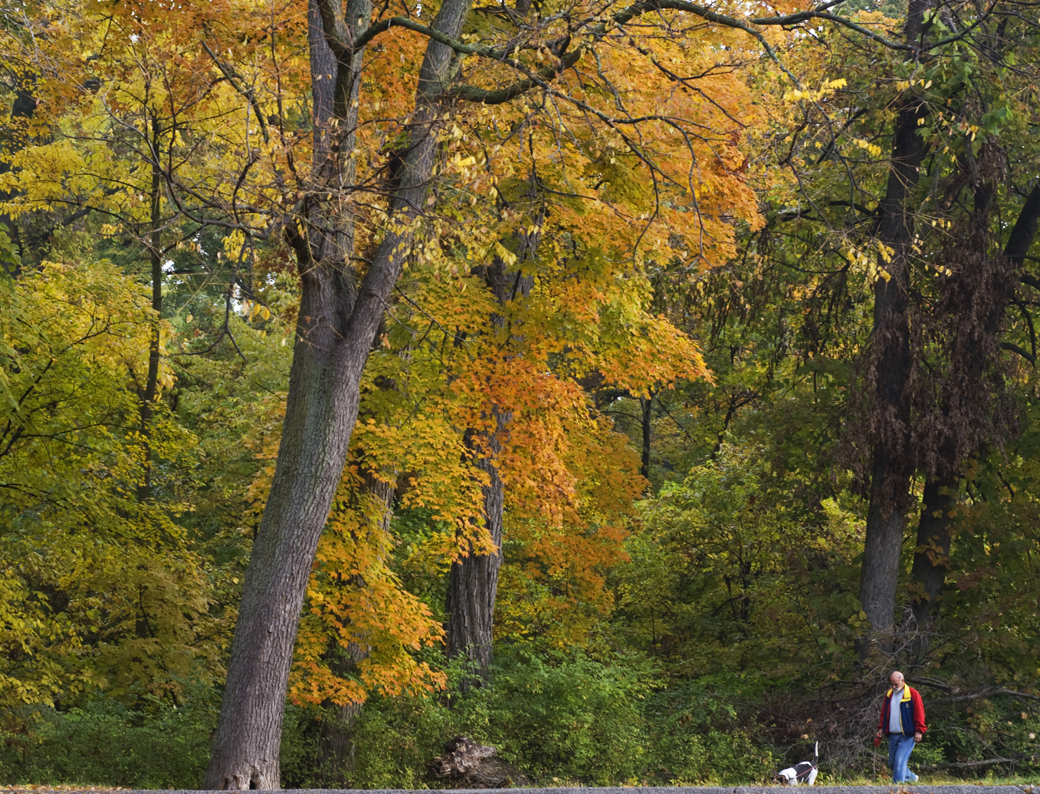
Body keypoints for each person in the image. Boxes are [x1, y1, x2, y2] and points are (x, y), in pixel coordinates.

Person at [876, 670, 927, 784]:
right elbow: (884, 713)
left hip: (907, 735)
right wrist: (881, 728)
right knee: (892, 763)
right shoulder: (889, 694)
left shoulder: (913, 694)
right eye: (892, 684)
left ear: (902, 681)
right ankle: (912, 777)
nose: (893, 686)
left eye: (896, 684)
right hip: (893, 734)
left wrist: (919, 730)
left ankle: (897, 788)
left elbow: (919, 713)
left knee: (899, 762)